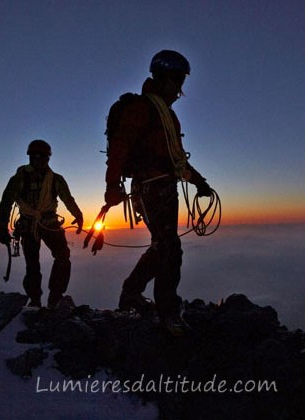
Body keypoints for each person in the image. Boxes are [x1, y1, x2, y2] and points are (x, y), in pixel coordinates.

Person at [104, 50, 212, 336]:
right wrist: (111, 186)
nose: (180, 88)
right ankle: (168, 314)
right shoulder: (142, 108)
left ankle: (131, 294)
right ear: (163, 78)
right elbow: (120, 147)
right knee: (169, 248)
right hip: (151, 188)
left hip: (163, 186)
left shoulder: (166, 115)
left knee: (161, 245)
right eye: (177, 80)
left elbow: (175, 158)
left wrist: (199, 182)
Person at [0, 139, 83, 309]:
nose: (39, 160)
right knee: (54, 259)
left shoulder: (23, 179)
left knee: (42, 262)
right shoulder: (46, 179)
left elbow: (6, 203)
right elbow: (6, 203)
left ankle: (44, 299)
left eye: (41, 157)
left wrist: (3, 229)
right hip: (42, 224)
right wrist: (78, 216)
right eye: (37, 157)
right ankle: (48, 299)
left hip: (35, 224)